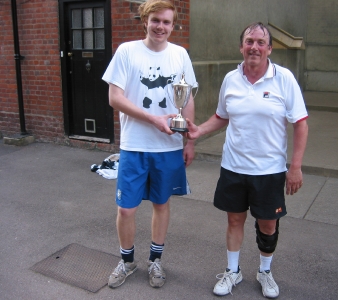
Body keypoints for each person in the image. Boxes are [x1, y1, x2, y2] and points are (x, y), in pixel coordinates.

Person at [185, 22, 308, 298]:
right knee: (234, 221)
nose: (254, 46)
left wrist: (296, 166)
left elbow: (300, 123)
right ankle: (233, 271)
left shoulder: (284, 78)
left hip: (270, 170)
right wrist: (199, 130)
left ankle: (264, 272)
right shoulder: (231, 79)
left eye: (260, 42)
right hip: (234, 167)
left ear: (269, 48)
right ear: (241, 46)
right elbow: (221, 116)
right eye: (249, 41)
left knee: (268, 225)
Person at [102, 0, 197, 289]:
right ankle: (127, 261)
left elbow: (188, 98)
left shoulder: (180, 54)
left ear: (172, 25)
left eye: (167, 22)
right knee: (126, 209)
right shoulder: (127, 51)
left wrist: (188, 140)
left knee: (161, 204)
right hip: (134, 145)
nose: (161, 27)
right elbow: (114, 98)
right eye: (156, 20)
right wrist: (153, 119)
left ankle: (155, 260)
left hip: (168, 148)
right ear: (145, 21)